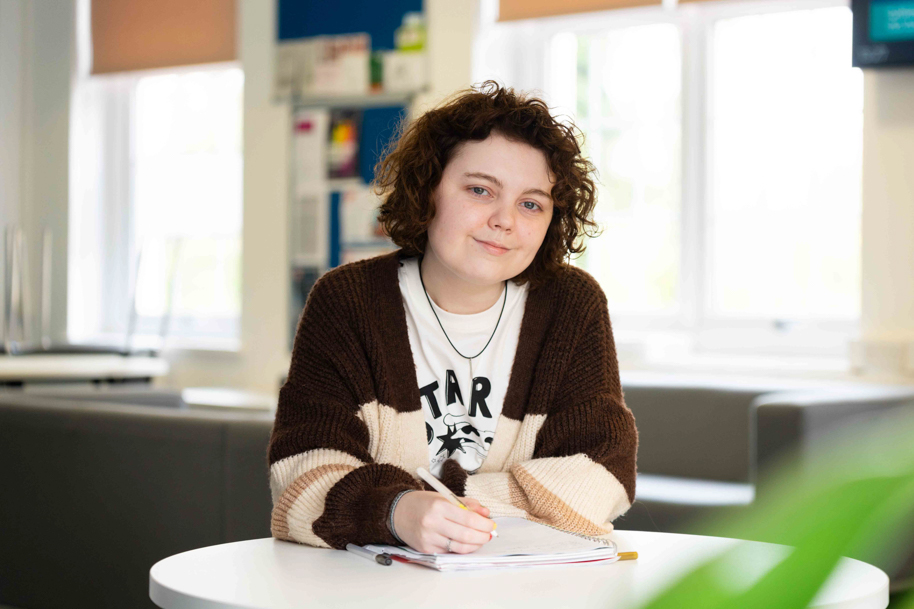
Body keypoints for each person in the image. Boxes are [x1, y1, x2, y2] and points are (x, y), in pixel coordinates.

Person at [268, 81, 638, 555]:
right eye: (481, 190)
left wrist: (419, 506)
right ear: (428, 191)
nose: (505, 220)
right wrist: (398, 513)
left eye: (531, 203)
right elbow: (300, 480)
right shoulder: (347, 302)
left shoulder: (571, 304)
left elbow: (603, 475)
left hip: (528, 589)